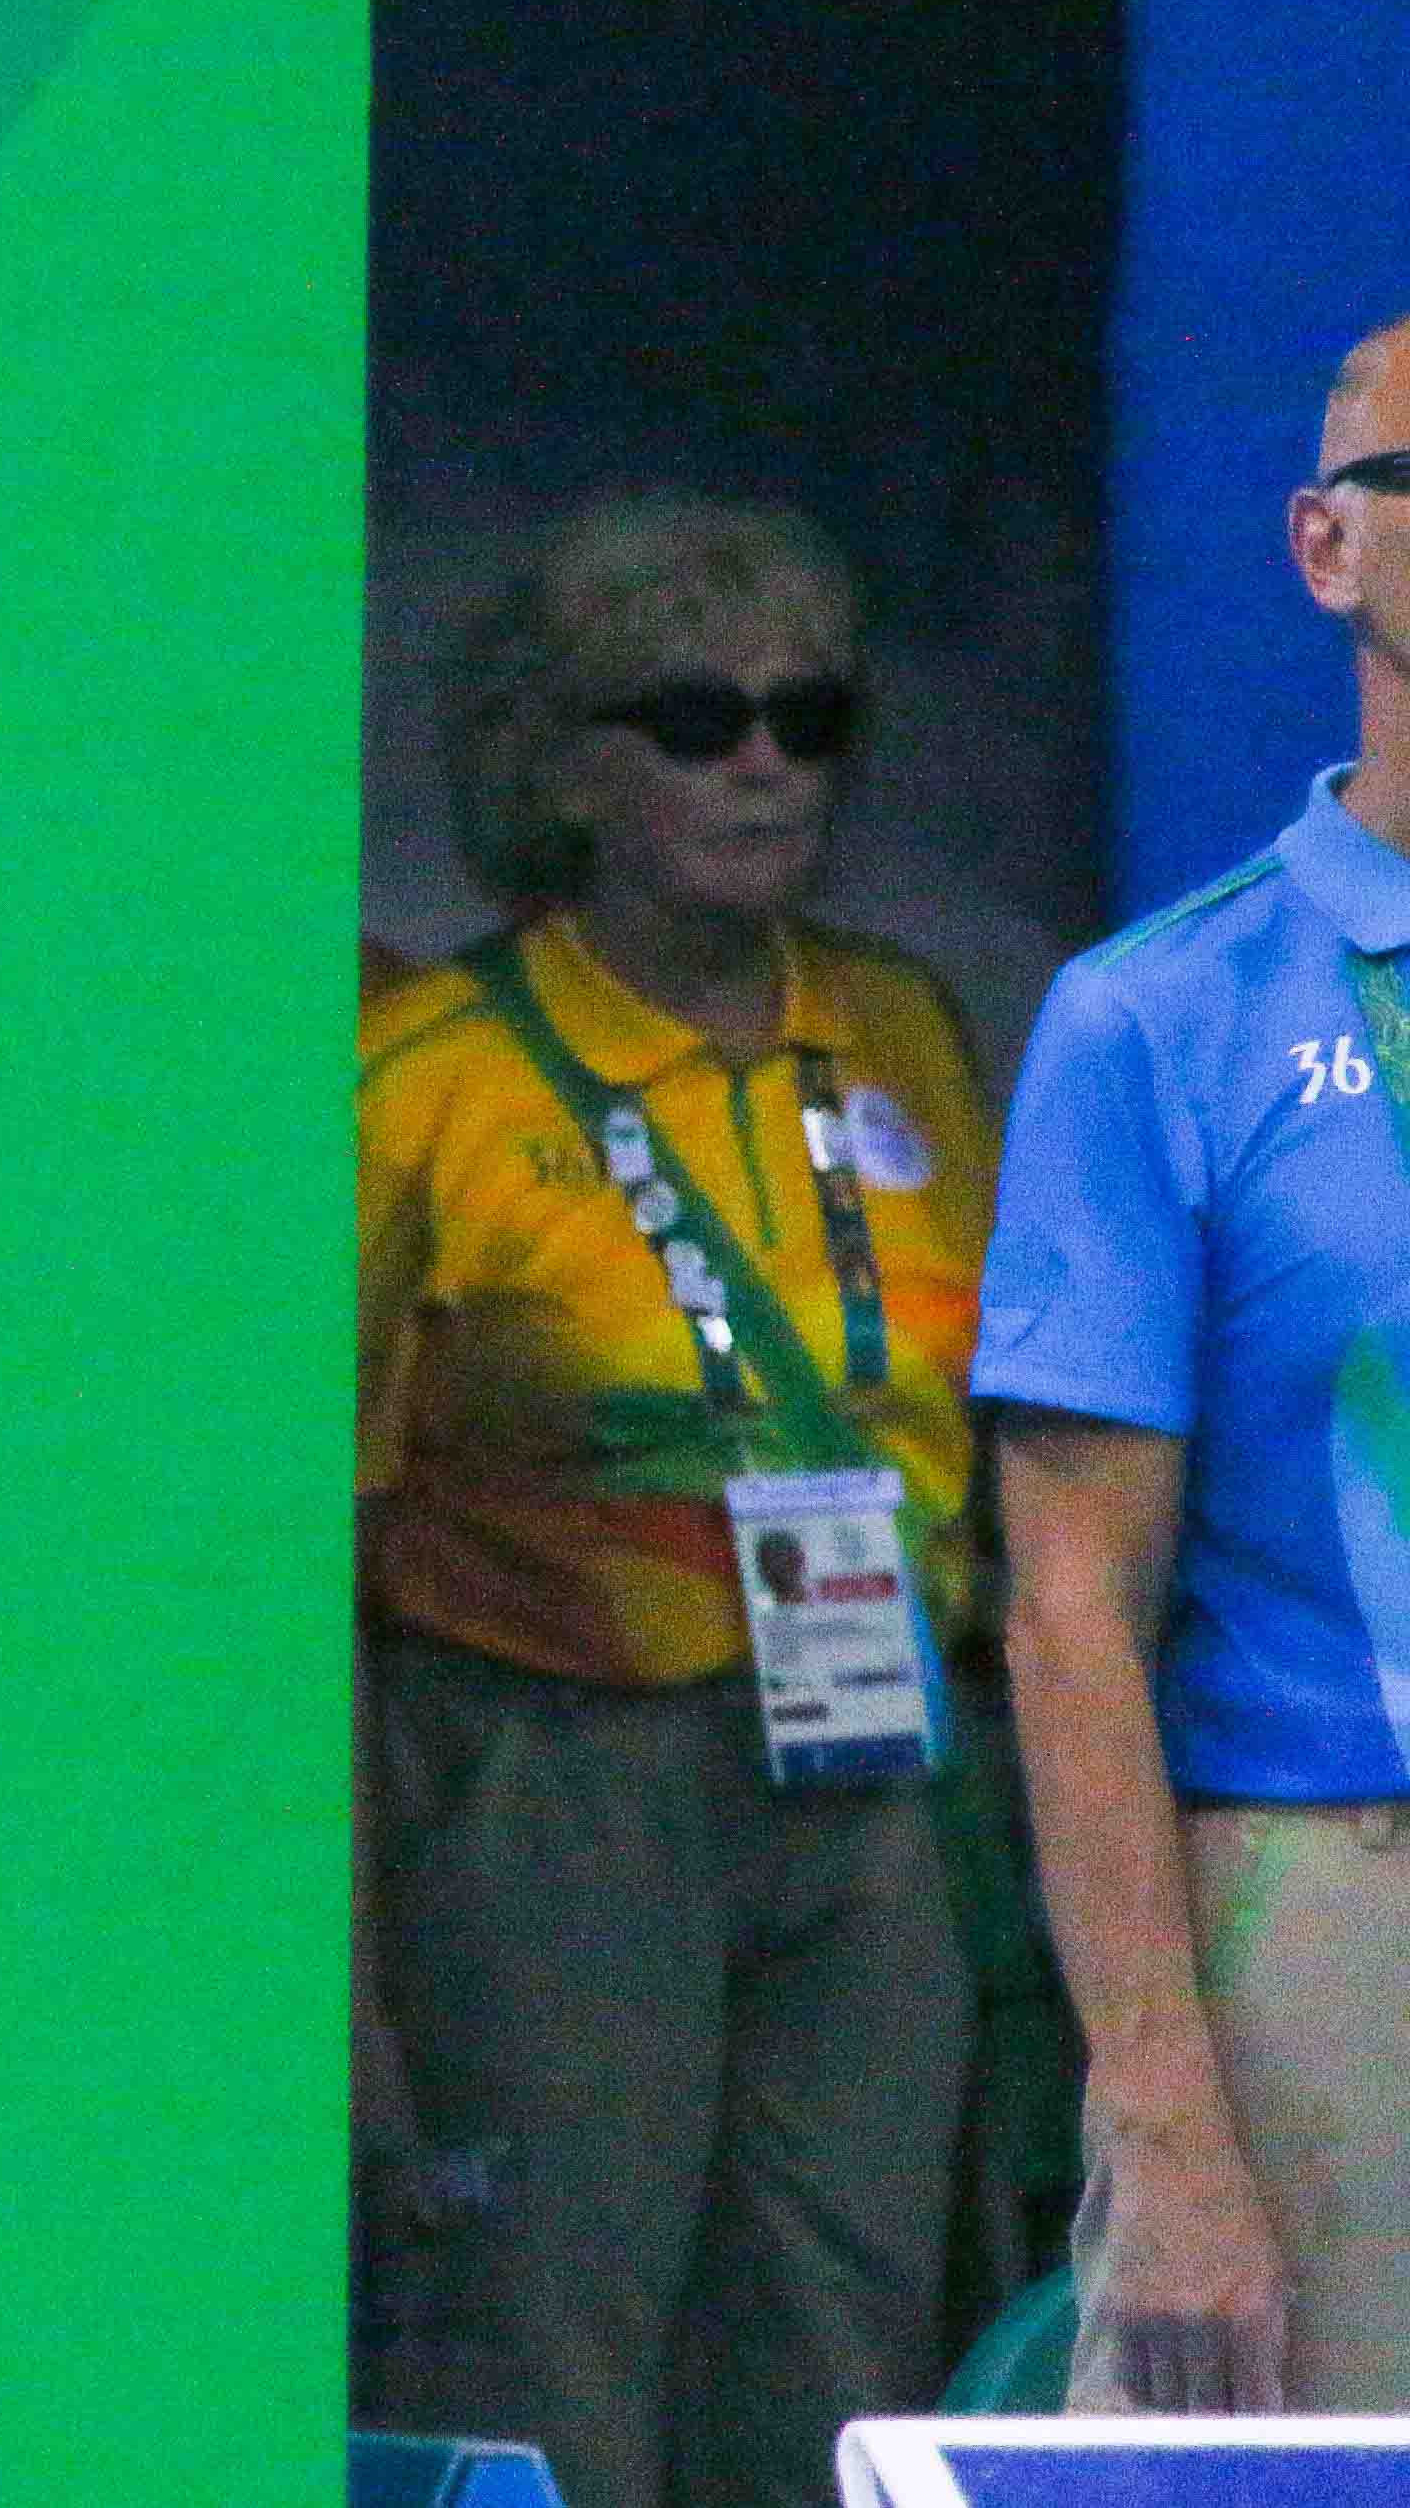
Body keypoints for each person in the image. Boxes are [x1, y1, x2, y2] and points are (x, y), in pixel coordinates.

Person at [353, 489, 995, 2507]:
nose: (763, 761)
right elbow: (304, 1560)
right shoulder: (424, 1079)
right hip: (545, 1773)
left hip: (871, 1770)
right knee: (559, 2334)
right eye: (697, 716)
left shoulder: (899, 1026)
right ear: (558, 762)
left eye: (810, 716)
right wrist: (351, 1969)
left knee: (845, 2322)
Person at [987, 311, 1410, 2415]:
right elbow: (1071, 1603)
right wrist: (1161, 2125)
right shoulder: (1161, 1014)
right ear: (1327, 548)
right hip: (1338, 1904)